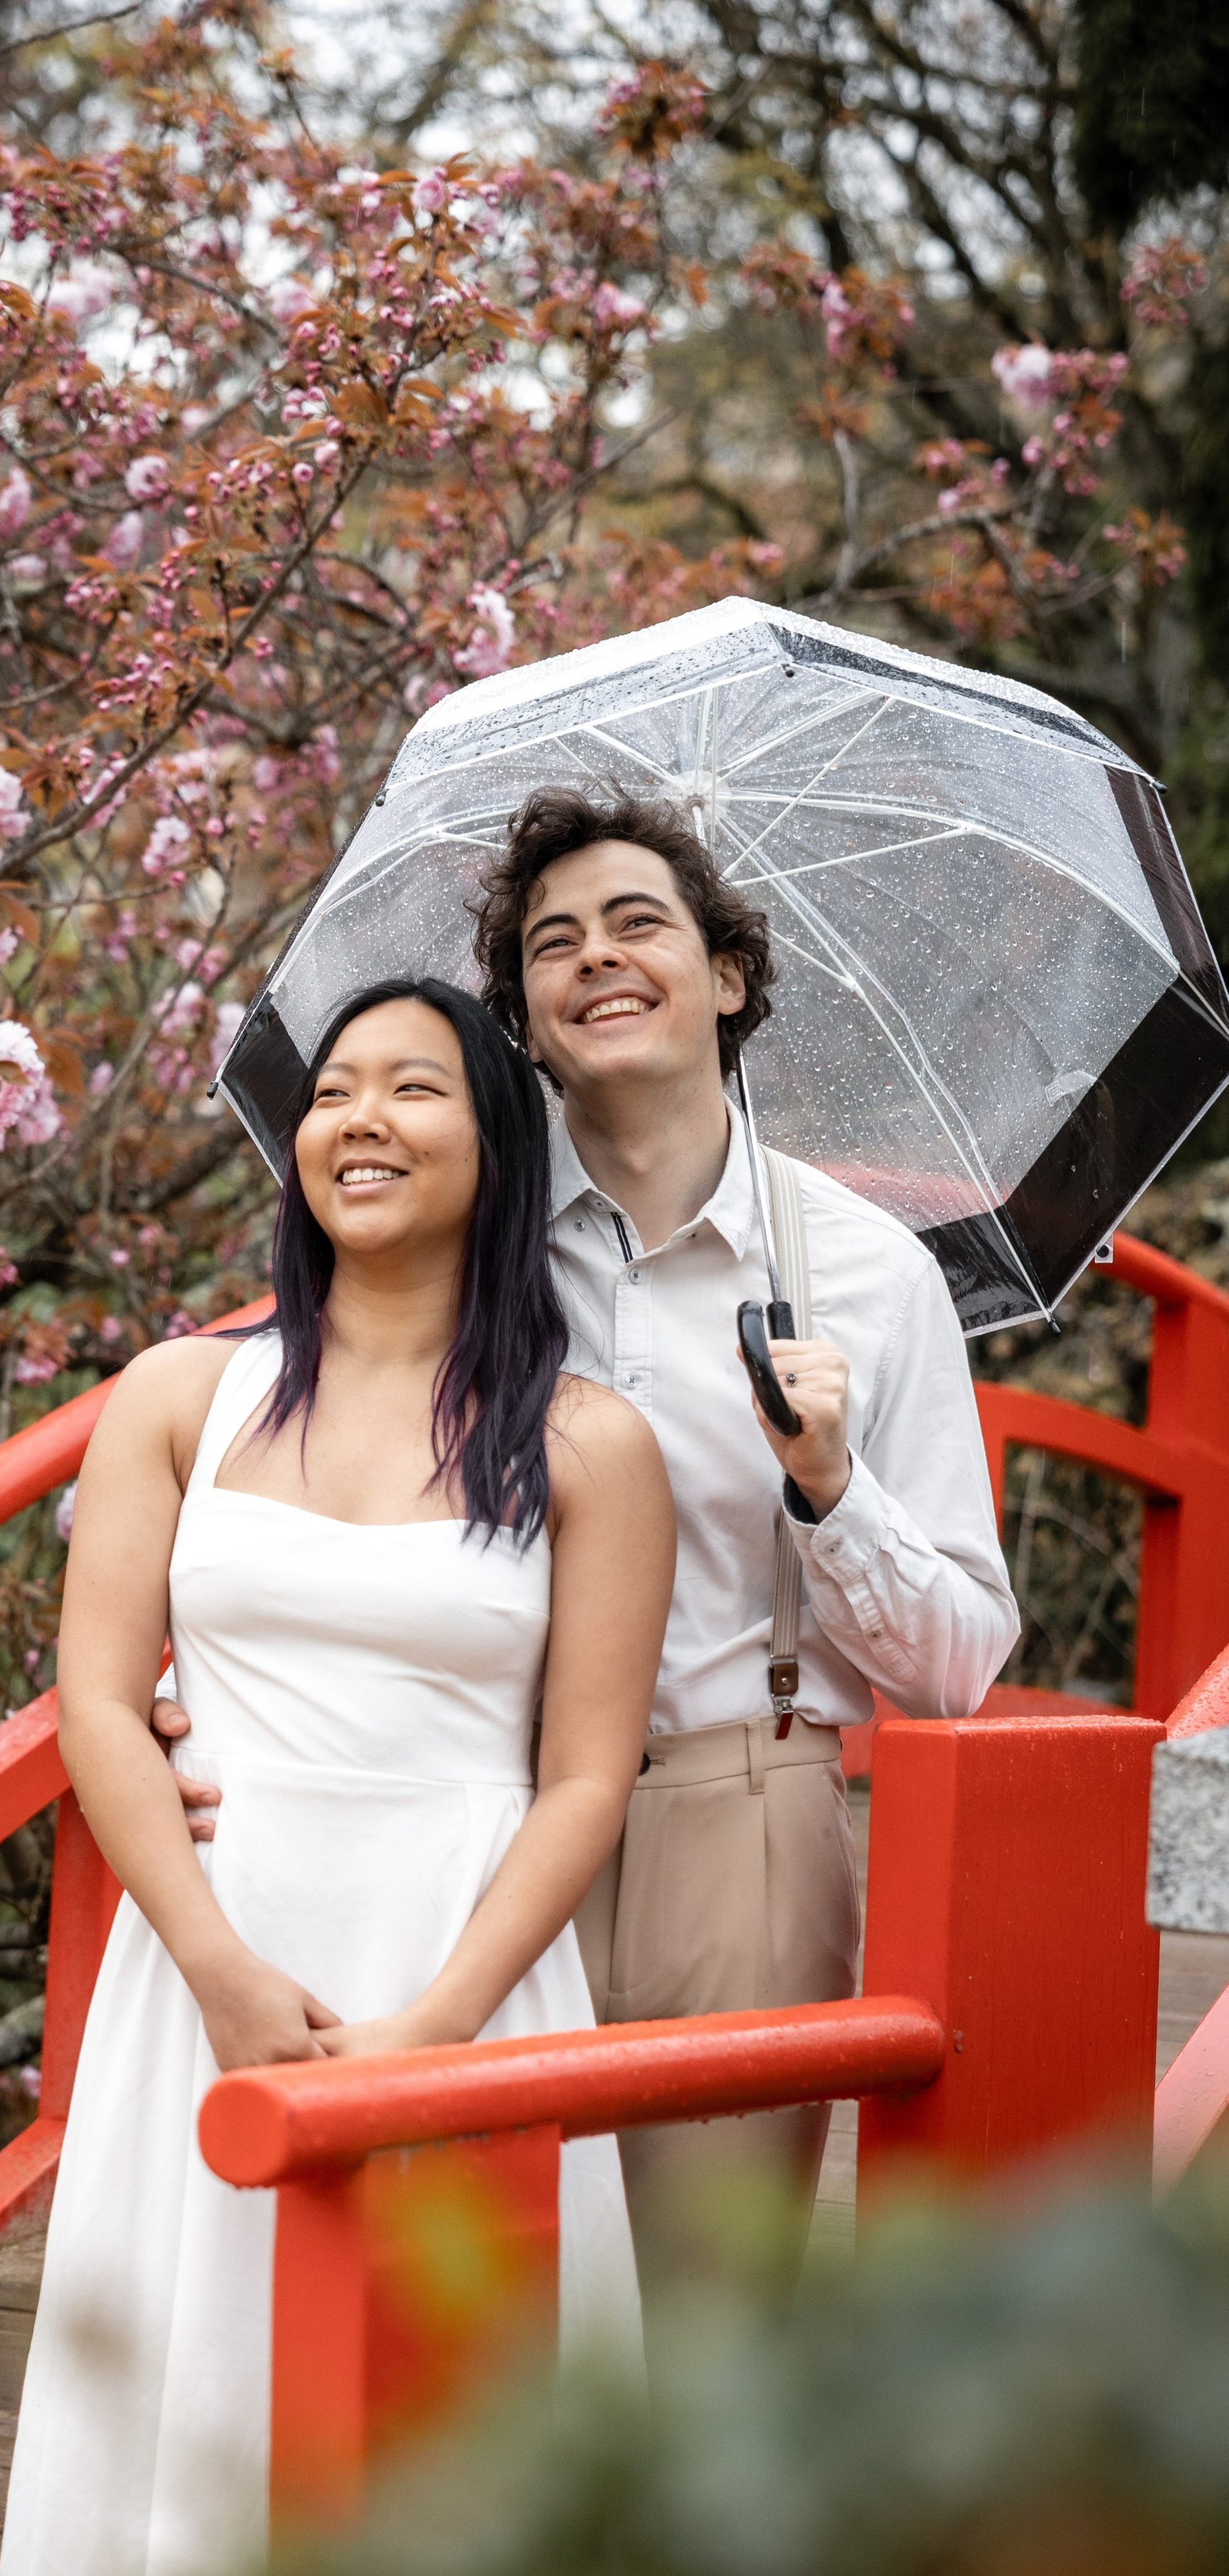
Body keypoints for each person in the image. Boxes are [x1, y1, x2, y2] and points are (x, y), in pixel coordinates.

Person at [0, 977, 670, 2576]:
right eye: (332, 1092)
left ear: (498, 1147)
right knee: (185, 2371)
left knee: (454, 2404)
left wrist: (440, 2024)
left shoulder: (591, 1446)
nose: (359, 1121)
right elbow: (94, 1700)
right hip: (210, 1959)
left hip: (461, 1958)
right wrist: (216, 1964)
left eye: (413, 1090)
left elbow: (587, 1772)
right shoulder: (174, 1393)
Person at [465, 785, 1021, 2292]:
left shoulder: (864, 1273)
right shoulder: (464, 1256)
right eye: (550, 942)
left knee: (709, 2307)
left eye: (636, 922)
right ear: (519, 1015)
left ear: (724, 975)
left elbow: (958, 1665)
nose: (594, 957)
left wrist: (831, 1491)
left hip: (744, 1800)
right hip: (479, 1815)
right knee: (495, 2308)